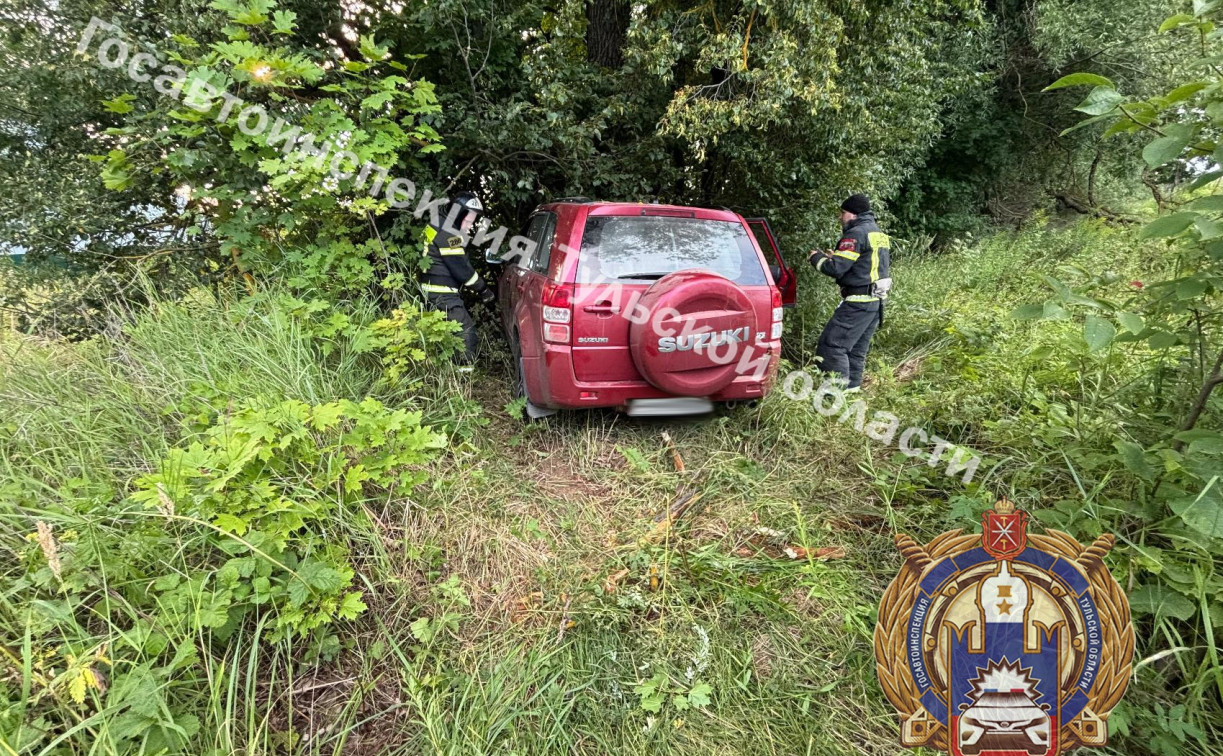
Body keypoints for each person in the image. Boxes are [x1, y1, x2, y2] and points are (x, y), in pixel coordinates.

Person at [809, 193, 892, 392]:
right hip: (876, 301)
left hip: (858, 301)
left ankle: (833, 397)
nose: (841, 217)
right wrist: (836, 258)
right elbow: (865, 265)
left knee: (832, 346)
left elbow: (835, 269)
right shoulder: (878, 233)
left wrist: (816, 257)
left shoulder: (855, 234)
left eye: (843, 212)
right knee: (855, 350)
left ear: (853, 214)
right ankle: (851, 393)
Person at [420, 191, 495, 371]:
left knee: (443, 334)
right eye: (468, 222)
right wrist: (483, 289)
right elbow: (462, 269)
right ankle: (463, 378)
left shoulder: (438, 221)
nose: (470, 227)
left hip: (430, 287)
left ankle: (442, 371)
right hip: (442, 292)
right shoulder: (450, 236)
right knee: (466, 334)